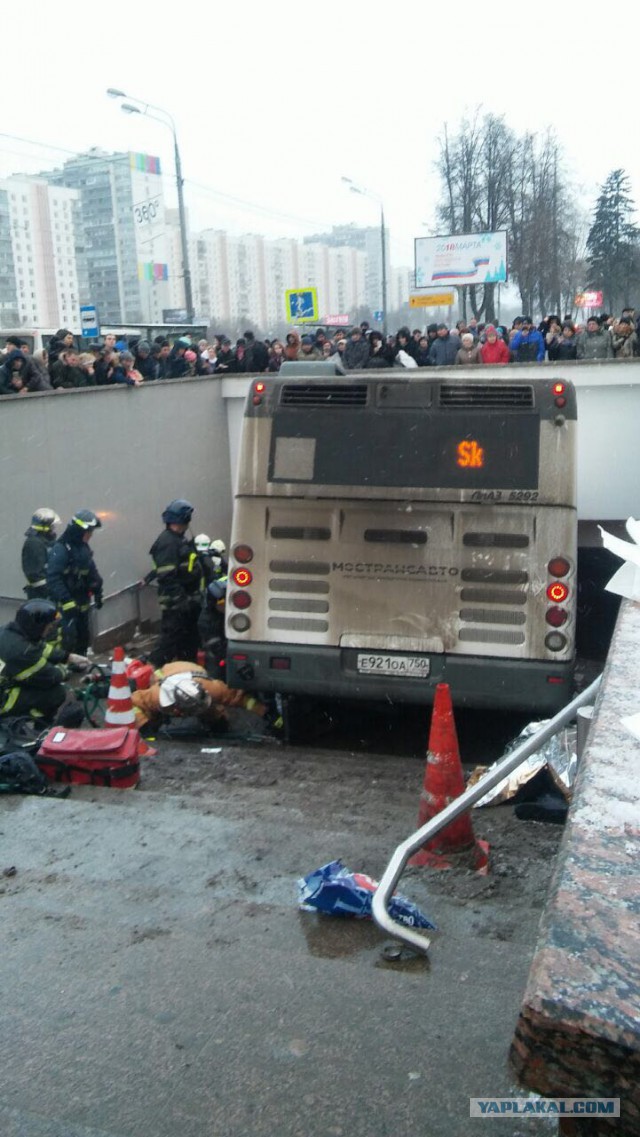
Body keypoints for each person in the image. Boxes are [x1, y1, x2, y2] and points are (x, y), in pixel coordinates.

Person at [130, 659, 283, 736]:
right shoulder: (157, 696)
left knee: (214, 719)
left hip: (193, 675)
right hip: (171, 671)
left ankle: (218, 724)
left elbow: (240, 699)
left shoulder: (212, 689)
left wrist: (266, 713)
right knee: (152, 720)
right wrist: (144, 725)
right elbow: (133, 703)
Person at [0, 600, 86, 723]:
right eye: (48, 626)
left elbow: (40, 648)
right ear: (36, 626)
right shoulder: (22, 652)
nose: (50, 630)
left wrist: (68, 657)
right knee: (55, 693)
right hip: (2, 700)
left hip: (5, 680)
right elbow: (50, 677)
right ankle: (34, 726)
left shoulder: (8, 631)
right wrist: (66, 669)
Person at [148, 499, 204, 667]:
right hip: (176, 605)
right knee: (170, 641)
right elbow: (167, 576)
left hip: (187, 603)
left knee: (188, 642)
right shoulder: (168, 542)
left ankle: (187, 671)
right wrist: (181, 600)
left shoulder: (178, 540)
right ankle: (153, 673)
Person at [47, 510, 103, 655]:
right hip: (67, 607)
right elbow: (53, 578)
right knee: (67, 639)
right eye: (88, 532)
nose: (90, 535)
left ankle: (81, 666)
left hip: (82, 603)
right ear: (79, 531)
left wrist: (98, 591)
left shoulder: (83, 548)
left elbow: (91, 572)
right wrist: (66, 600)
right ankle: (65, 670)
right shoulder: (61, 549)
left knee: (83, 637)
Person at [22, 508, 60, 599]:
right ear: (44, 527)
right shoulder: (34, 544)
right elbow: (35, 575)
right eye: (52, 526)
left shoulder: (45, 542)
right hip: (41, 596)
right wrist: (52, 591)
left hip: (47, 593)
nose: (53, 529)